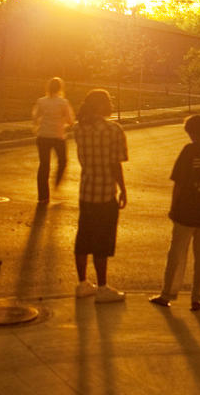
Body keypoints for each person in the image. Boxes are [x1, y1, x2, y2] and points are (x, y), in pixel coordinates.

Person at [149, 115, 200, 311]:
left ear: (191, 132)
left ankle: (168, 293)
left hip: (185, 211)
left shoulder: (188, 151)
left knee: (177, 254)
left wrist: (172, 207)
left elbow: (178, 182)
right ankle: (198, 297)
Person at [72, 89, 128, 303]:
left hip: (86, 190)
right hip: (105, 192)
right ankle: (103, 287)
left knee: (83, 237)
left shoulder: (79, 129)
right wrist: (122, 189)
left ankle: (82, 283)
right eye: (108, 102)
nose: (111, 105)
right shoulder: (113, 130)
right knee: (102, 240)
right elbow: (116, 164)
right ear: (101, 105)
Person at [32, 77, 75, 203]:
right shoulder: (63, 103)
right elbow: (70, 120)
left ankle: (43, 196)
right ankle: (56, 183)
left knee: (44, 165)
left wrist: (39, 125)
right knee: (63, 161)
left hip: (43, 136)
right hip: (58, 136)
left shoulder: (41, 101)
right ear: (60, 88)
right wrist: (65, 124)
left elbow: (35, 117)